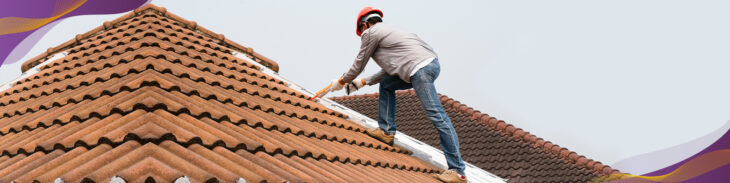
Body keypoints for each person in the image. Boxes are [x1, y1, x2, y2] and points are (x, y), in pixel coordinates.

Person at [320, 7, 467, 183]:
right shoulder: (391, 32)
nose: (363, 37)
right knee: (387, 85)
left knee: (437, 116)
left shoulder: (371, 33)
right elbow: (391, 69)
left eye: (362, 32)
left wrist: (341, 81)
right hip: (427, 65)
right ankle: (387, 131)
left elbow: (359, 64)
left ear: (365, 25)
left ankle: (458, 171)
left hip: (419, 69)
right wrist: (363, 82)